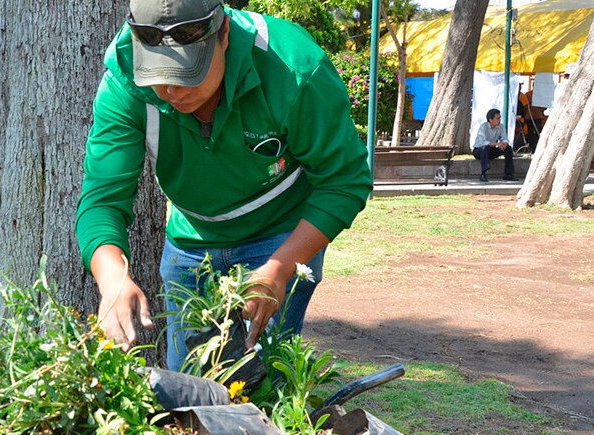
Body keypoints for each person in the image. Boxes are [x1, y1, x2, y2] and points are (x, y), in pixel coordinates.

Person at [75, 0, 372, 372]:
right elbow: (102, 199)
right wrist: (112, 277)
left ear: (224, 35)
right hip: (191, 241)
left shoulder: (293, 66)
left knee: (260, 383)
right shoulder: (125, 77)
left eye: (189, 72)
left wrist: (280, 269)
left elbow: (345, 180)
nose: (172, 90)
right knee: (189, 386)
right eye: (158, 74)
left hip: (280, 233)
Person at [472, 108, 516, 182]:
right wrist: (497, 144)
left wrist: (504, 144)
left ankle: (508, 174)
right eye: (497, 118)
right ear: (490, 120)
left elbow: (504, 138)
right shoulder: (483, 126)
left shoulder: (501, 127)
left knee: (508, 148)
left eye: (500, 118)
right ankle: (483, 174)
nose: (499, 120)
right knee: (485, 148)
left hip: (491, 150)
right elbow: (483, 142)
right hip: (479, 150)